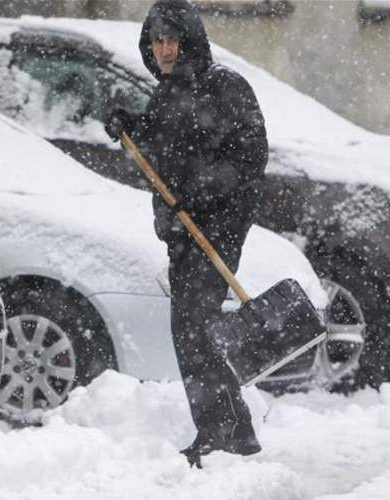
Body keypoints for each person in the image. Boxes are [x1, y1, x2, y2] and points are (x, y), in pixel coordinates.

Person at [104, 0, 269, 466]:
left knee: (195, 329)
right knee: (191, 331)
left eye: (172, 39)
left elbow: (250, 158)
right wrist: (127, 124)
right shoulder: (167, 95)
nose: (164, 49)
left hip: (217, 228)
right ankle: (230, 431)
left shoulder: (226, 87)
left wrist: (200, 190)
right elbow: (159, 150)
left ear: (190, 39)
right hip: (181, 233)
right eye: (156, 41)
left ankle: (225, 434)